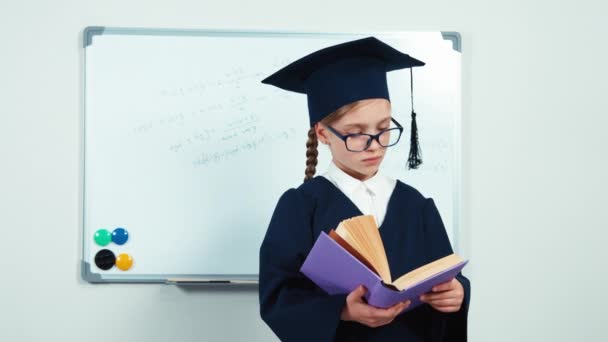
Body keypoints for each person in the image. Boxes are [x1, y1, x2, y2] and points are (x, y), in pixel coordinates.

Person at [258, 36, 470, 342]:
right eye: (355, 133)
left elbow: (446, 277)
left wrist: (457, 293)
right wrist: (341, 310)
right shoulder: (301, 207)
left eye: (383, 129)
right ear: (323, 134)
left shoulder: (416, 206)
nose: (375, 145)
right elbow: (278, 298)